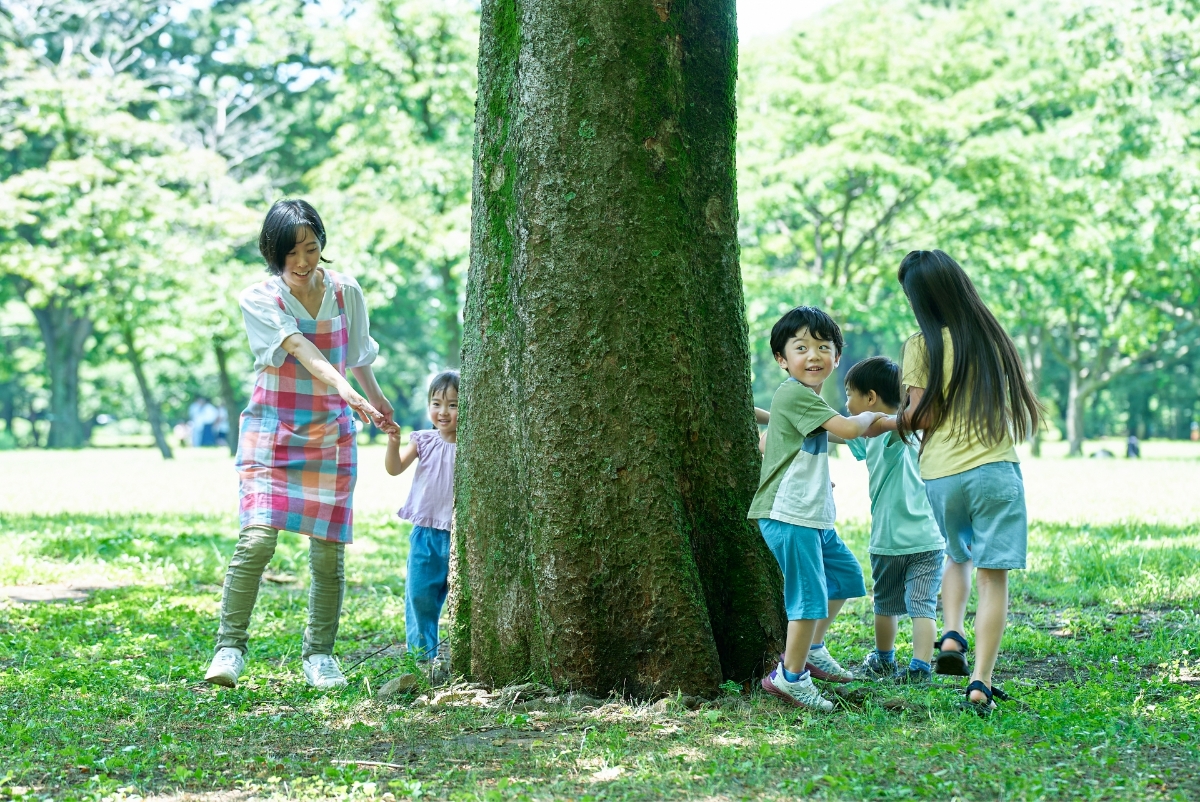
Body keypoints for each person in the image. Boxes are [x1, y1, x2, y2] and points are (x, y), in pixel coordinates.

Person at [204, 199, 397, 691]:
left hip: (330, 434)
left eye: (310, 248)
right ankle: (229, 648)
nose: (303, 261)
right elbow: (299, 347)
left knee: (328, 554)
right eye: (291, 252)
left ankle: (320, 656)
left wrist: (377, 401)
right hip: (272, 431)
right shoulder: (259, 298)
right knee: (257, 540)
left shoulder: (346, 292)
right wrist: (347, 391)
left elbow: (359, 356)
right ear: (273, 253)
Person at [875, 249, 1041, 715]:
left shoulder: (920, 344)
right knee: (993, 578)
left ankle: (951, 632)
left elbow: (921, 414)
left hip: (941, 475)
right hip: (994, 469)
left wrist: (883, 422)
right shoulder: (990, 336)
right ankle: (980, 682)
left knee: (956, 553)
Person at [749, 306, 883, 712]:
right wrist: (874, 414)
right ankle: (790, 677)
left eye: (824, 347)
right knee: (808, 599)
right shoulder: (793, 393)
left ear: (837, 357)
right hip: (789, 515)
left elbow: (841, 434)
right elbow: (848, 428)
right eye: (801, 347)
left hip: (812, 514)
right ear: (781, 358)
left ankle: (812, 649)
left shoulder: (805, 402)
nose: (814, 355)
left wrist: (901, 422)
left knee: (844, 576)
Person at [841, 357, 945, 683]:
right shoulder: (908, 432)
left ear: (870, 398)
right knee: (922, 605)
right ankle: (920, 667)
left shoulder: (891, 431)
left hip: (889, 540)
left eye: (849, 395)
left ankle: (884, 659)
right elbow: (837, 433)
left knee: (885, 605)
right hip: (929, 537)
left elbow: (843, 430)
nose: (846, 403)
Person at [385, 371, 459, 672]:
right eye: (436, 403)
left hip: (460, 536)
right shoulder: (423, 441)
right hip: (426, 534)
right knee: (419, 595)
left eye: (453, 405)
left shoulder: (474, 445)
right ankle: (423, 657)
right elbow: (394, 468)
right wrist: (393, 442)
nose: (443, 412)